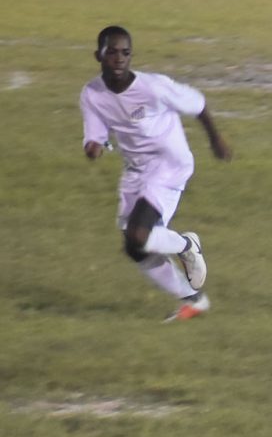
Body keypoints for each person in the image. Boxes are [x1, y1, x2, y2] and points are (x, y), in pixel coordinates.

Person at [80, 26, 233, 322]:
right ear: (98, 55)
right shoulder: (92, 93)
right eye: (111, 52)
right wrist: (93, 146)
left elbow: (197, 104)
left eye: (125, 52)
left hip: (169, 164)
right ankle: (194, 300)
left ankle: (187, 245)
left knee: (140, 233)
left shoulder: (152, 87)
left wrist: (216, 139)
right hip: (136, 169)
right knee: (134, 248)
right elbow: (95, 133)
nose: (119, 58)